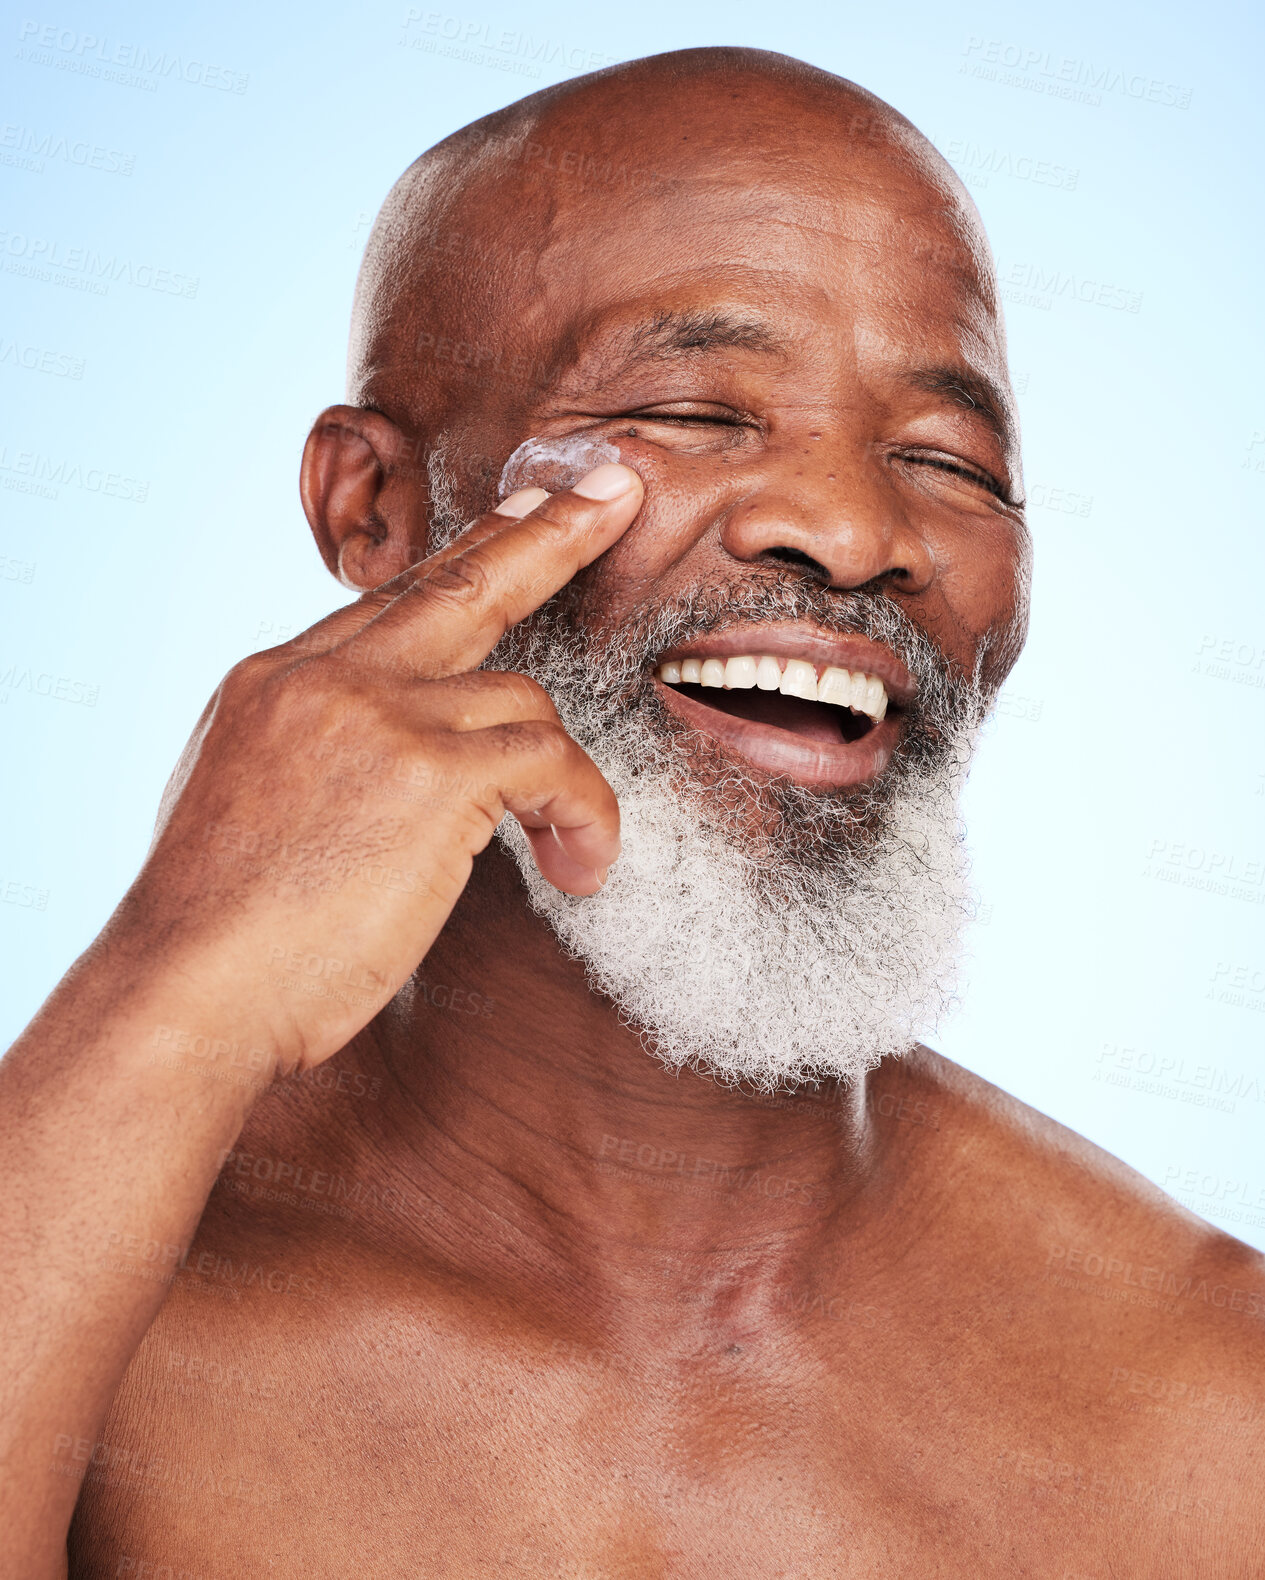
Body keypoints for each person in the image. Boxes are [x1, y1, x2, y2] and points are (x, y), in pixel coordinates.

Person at [2, 45, 1260, 1579]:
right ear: (373, 511)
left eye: (946, 459)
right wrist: (164, 995)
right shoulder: (90, 1303)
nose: (854, 532)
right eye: (692, 411)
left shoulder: (1204, 1402)